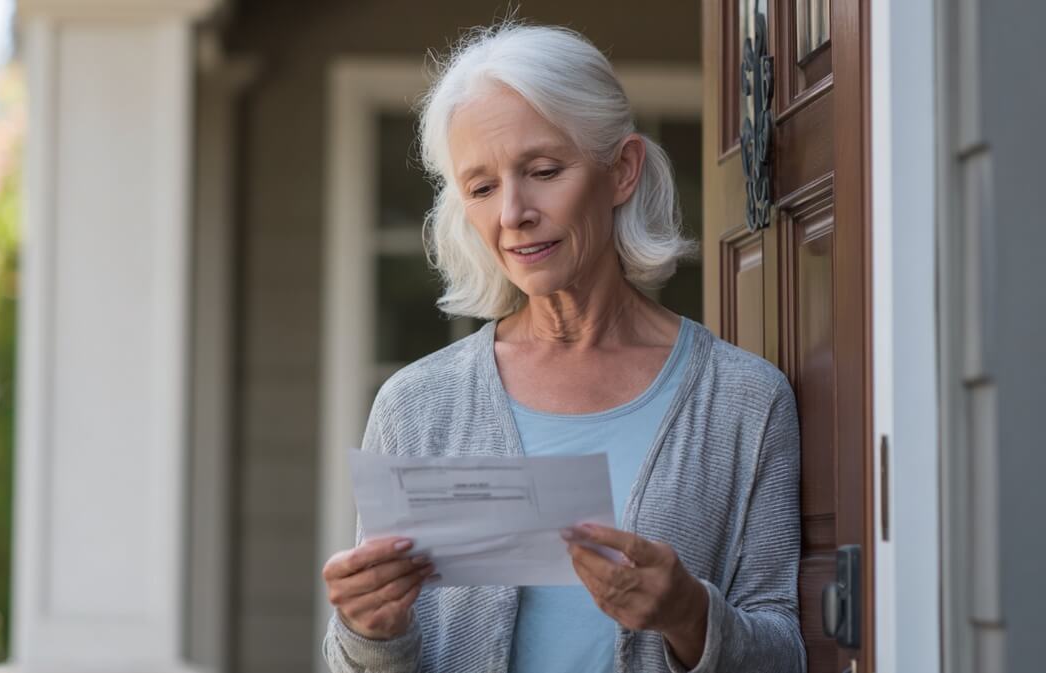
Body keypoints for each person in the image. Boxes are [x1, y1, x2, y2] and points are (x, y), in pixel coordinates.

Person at [321, 22, 804, 673]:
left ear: (623, 170)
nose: (513, 212)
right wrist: (368, 629)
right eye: (482, 187)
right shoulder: (415, 404)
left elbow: (785, 651)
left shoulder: (745, 400)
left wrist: (691, 613)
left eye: (544, 171)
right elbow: (361, 661)